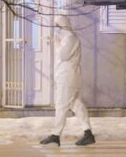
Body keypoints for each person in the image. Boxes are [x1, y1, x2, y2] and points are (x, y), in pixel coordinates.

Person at [40, 16, 95, 146]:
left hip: (68, 76)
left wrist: (57, 43)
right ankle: (88, 133)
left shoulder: (70, 37)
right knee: (75, 104)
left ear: (61, 25)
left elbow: (63, 56)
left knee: (61, 105)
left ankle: (55, 135)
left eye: (56, 25)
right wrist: (57, 41)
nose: (55, 29)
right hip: (66, 75)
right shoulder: (68, 37)